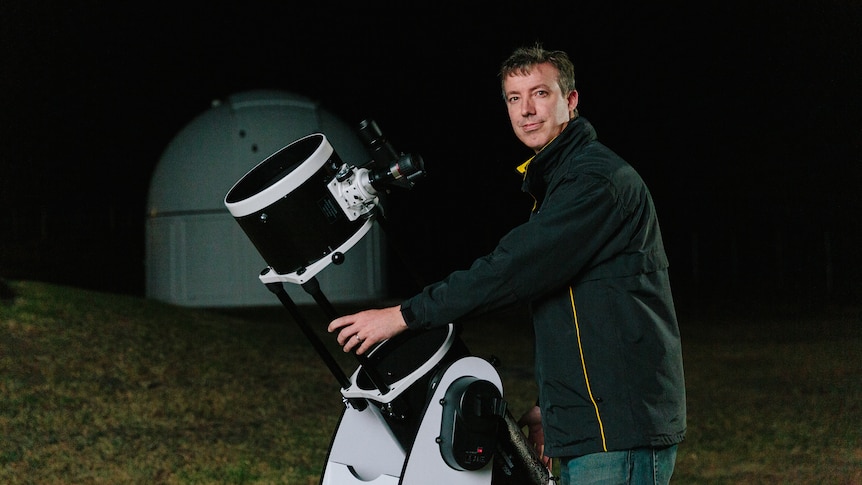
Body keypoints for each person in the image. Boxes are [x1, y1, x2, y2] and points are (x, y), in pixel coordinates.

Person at [328, 43, 686, 485]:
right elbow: (583, 317)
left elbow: (511, 270)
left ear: (570, 101)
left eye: (540, 94)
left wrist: (404, 316)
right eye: (515, 99)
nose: (526, 110)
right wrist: (549, 410)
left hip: (616, 431)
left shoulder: (595, 181)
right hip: (590, 424)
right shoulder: (560, 182)